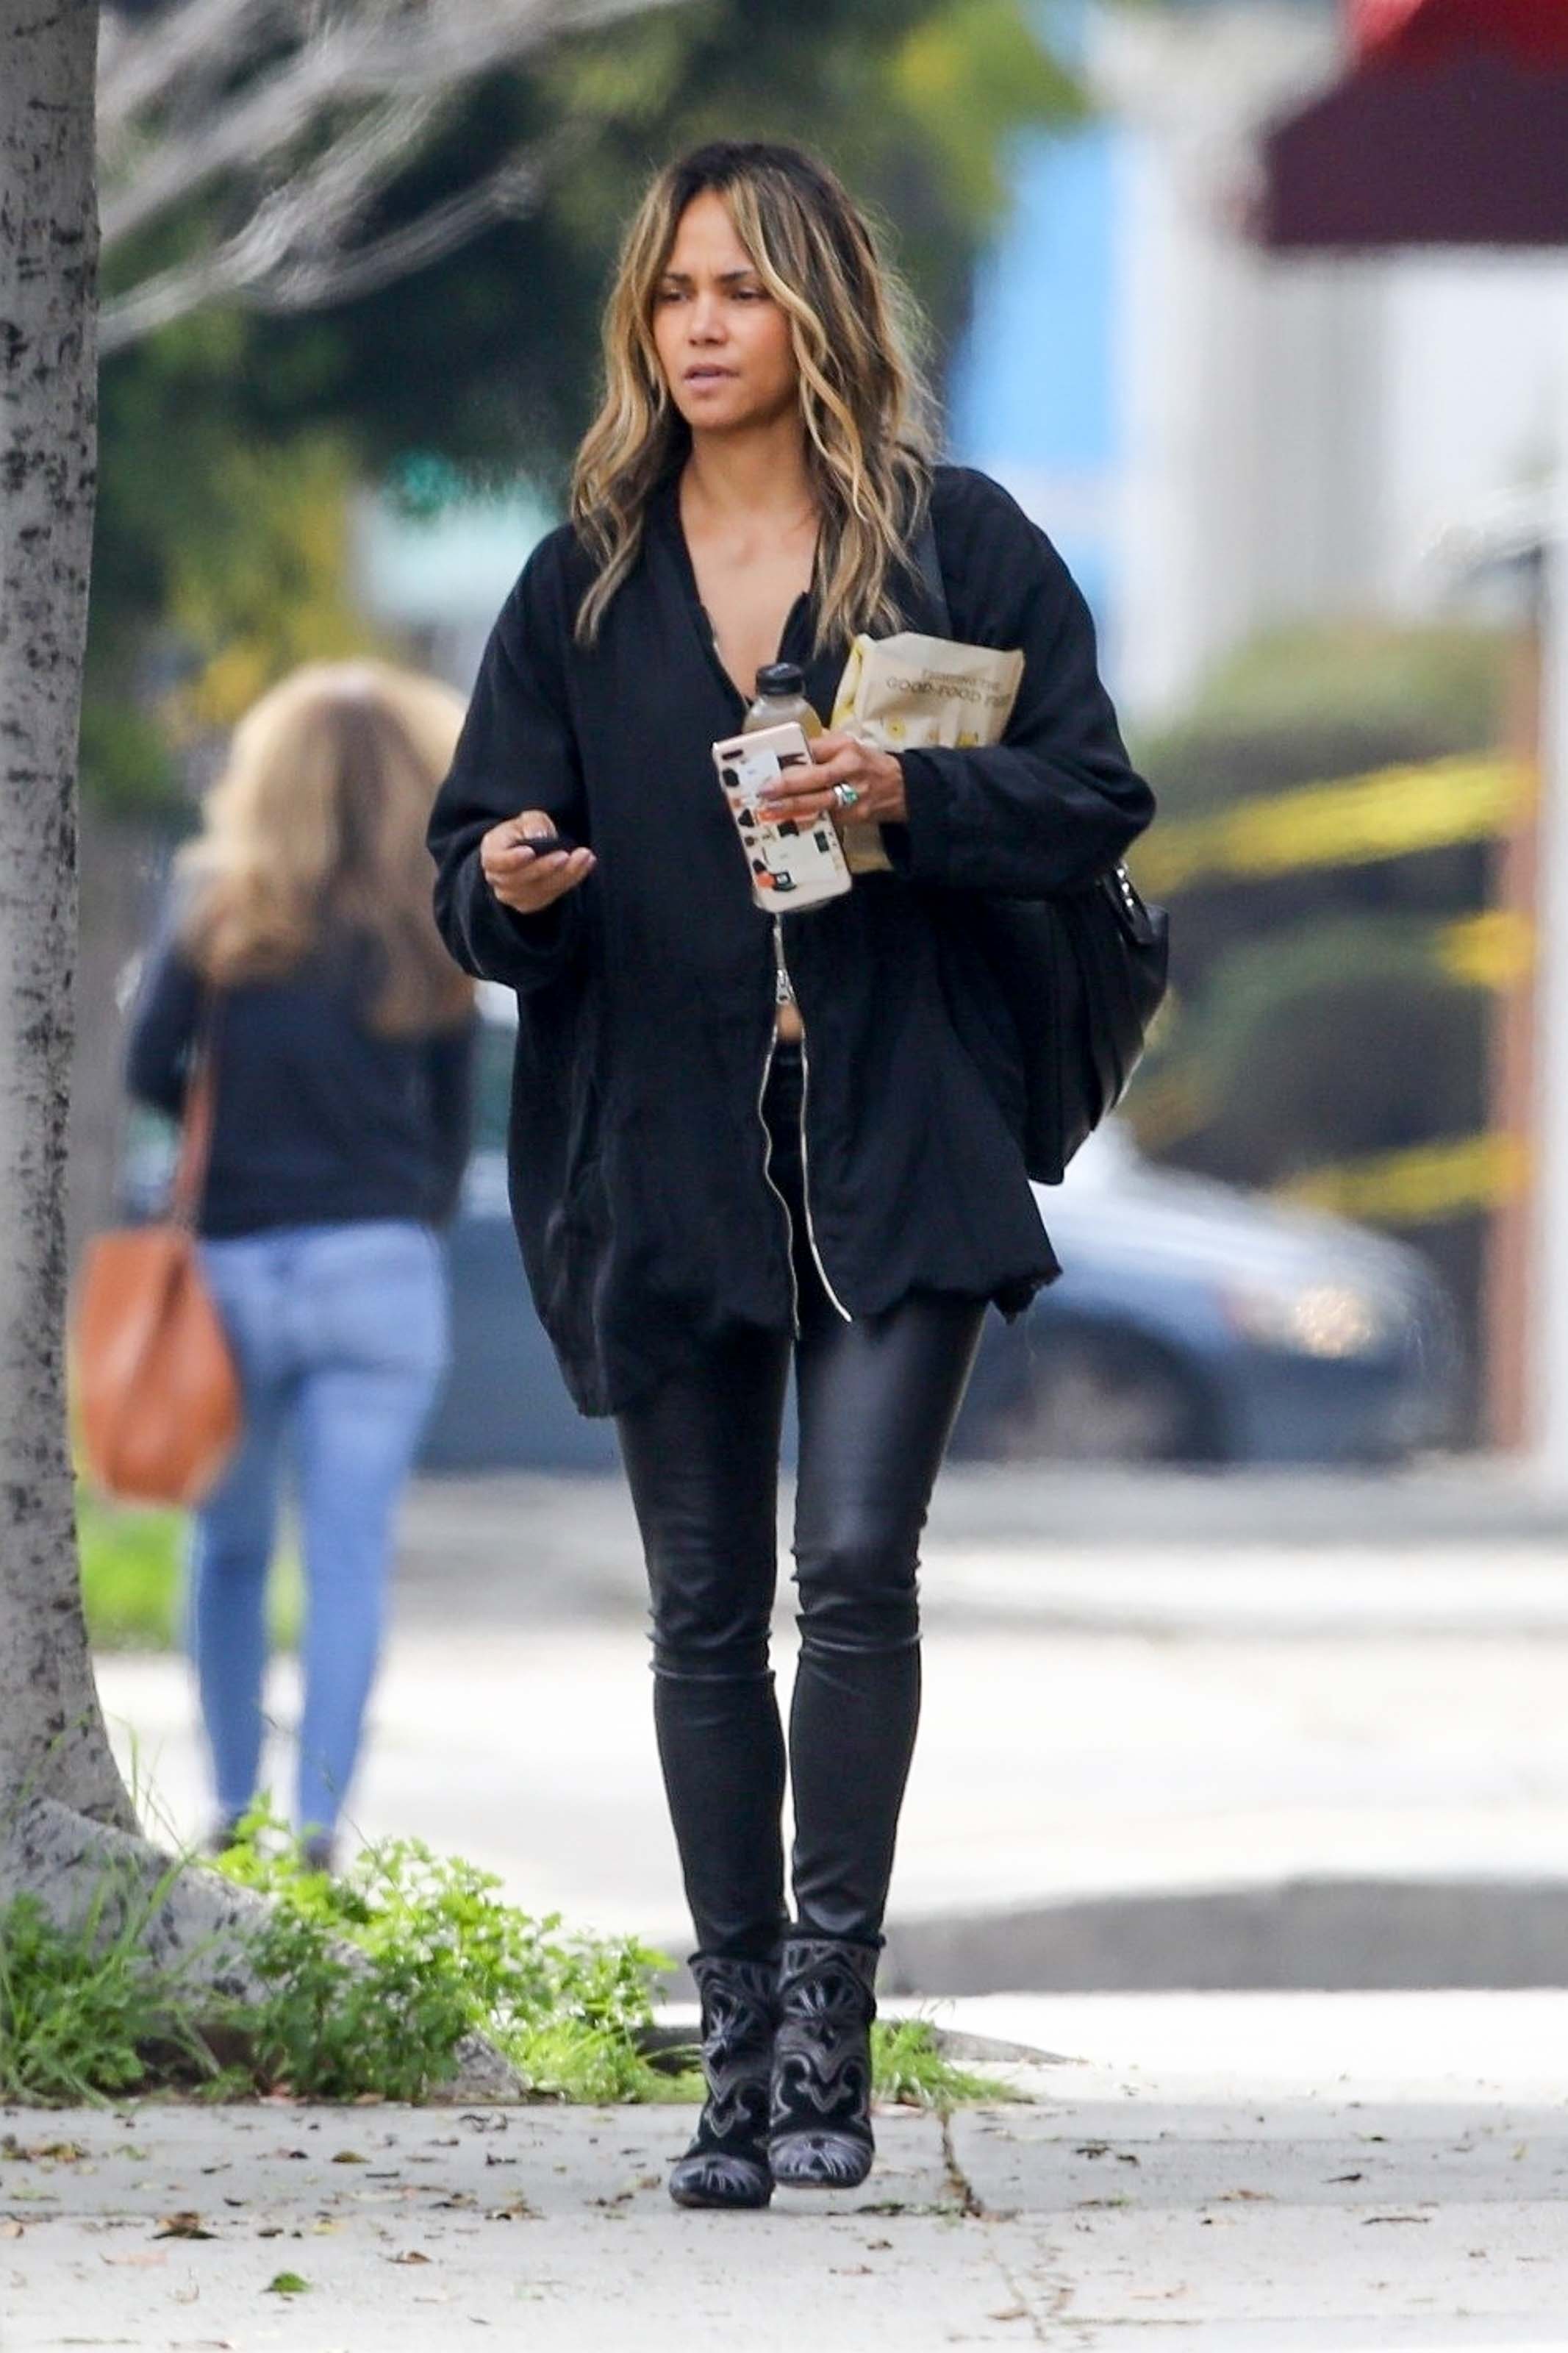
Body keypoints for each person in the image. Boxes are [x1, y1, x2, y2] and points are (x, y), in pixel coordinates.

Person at [427, 140, 1154, 2207]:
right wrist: (508, 883)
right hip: (657, 1146)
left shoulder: (958, 543)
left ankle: (830, 2029)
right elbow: (475, 856)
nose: (701, 327)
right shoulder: (579, 573)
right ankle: (729, 2052)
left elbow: (1096, 791)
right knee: (696, 1607)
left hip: (899, 1131)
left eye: (738, 288)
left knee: (851, 1574)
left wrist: (903, 790)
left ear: (816, 307)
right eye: (671, 295)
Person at [126, 661, 477, 1872]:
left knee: (225, 1551)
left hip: (229, 1271)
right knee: (345, 1561)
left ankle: (230, 1810)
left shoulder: (223, 912)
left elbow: (144, 1070)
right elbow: (449, 1124)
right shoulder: (434, 922)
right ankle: (320, 1829)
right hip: (376, 1269)